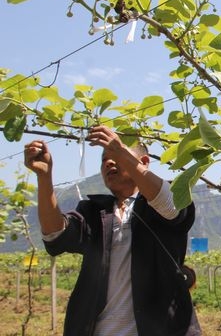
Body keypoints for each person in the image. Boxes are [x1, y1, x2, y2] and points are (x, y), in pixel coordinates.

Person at [24, 126, 201, 336]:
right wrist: (44, 177)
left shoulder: (159, 201)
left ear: (143, 162)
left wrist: (122, 152)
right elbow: (55, 236)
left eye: (116, 155)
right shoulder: (94, 211)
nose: (108, 161)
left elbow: (172, 206)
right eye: (104, 159)